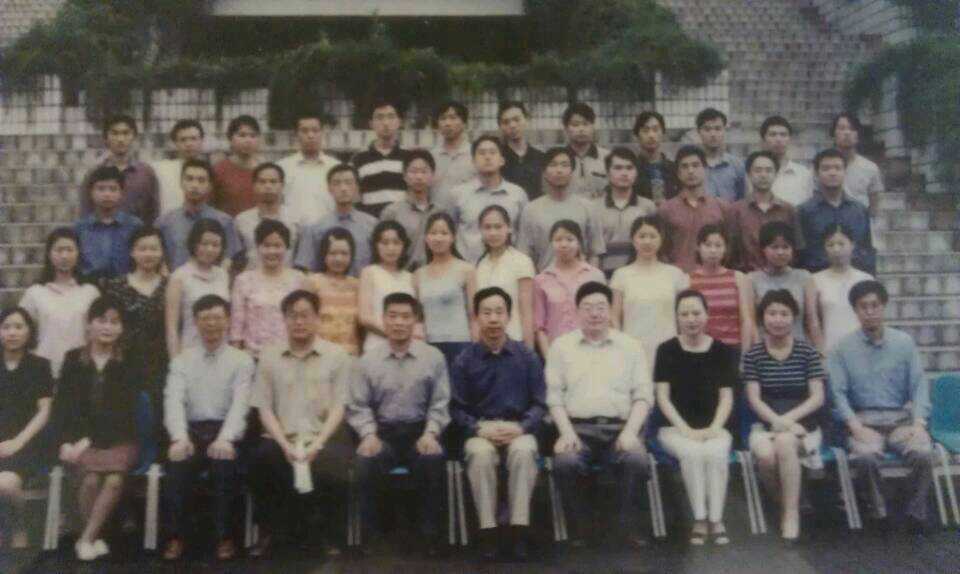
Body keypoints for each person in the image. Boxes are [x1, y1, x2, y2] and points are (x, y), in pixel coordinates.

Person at [248, 290, 354, 558]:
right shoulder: (269, 356)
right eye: (292, 316)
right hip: (281, 437)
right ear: (284, 319)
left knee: (333, 461)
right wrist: (284, 444)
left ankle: (328, 536)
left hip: (323, 435)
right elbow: (264, 408)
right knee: (263, 457)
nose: (299, 322)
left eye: (305, 315)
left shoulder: (337, 356)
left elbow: (339, 407)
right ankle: (268, 532)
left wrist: (317, 444)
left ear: (317, 318)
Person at [547, 282, 652, 549]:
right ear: (577, 311)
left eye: (601, 307)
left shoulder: (630, 346)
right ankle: (582, 529)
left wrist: (630, 432)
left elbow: (643, 396)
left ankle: (626, 528)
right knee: (566, 462)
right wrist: (566, 432)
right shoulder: (561, 347)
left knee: (636, 459)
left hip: (620, 428)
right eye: (588, 308)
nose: (595, 313)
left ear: (610, 310)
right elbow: (554, 397)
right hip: (577, 429)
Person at [349, 293, 450, 556]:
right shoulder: (367, 361)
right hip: (383, 433)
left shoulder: (433, 357)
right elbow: (358, 405)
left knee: (432, 459)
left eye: (406, 316)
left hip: (420, 430)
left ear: (415, 320)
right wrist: (368, 434)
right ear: (383, 319)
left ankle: (430, 538)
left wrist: (431, 433)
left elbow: (440, 403)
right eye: (392, 316)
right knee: (366, 461)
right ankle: (373, 538)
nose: (399, 322)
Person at [828, 280, 933, 532]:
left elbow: (919, 386)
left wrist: (919, 424)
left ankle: (916, 513)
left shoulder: (904, 343)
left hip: (900, 421)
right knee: (865, 457)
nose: (870, 311)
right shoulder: (842, 348)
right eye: (863, 306)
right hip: (863, 422)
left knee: (922, 452)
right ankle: (879, 512)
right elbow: (837, 394)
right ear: (855, 310)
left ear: (884, 306)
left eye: (875, 305)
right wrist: (855, 427)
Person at [450, 287, 546, 561]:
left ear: (508, 316)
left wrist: (521, 427)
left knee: (524, 451)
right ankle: (488, 531)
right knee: (479, 453)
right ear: (476, 317)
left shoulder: (527, 357)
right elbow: (455, 407)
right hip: (481, 429)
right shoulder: (464, 360)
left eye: (499, 312)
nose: (493, 319)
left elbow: (540, 403)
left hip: (518, 428)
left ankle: (519, 529)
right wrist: (478, 428)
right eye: (486, 312)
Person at [161, 294, 254, 562]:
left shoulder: (242, 360)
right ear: (195, 322)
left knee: (224, 466)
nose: (211, 324)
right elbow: (173, 400)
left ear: (227, 320)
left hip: (226, 431)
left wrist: (226, 439)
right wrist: (179, 438)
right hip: (190, 430)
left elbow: (241, 405)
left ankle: (224, 537)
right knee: (177, 465)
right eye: (205, 318)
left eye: (217, 317)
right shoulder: (182, 360)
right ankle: (176, 537)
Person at [53, 296, 141, 561]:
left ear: (122, 328)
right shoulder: (72, 359)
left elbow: (123, 412)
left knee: (113, 480)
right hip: (79, 440)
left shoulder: (129, 361)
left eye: (115, 322)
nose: (108, 327)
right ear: (89, 324)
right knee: (91, 480)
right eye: (102, 320)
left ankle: (85, 539)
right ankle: (97, 537)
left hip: (121, 439)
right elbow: (63, 407)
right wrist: (68, 441)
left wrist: (87, 440)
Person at [654, 289, 736, 546]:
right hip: (673, 429)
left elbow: (726, 397)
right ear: (677, 317)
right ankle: (700, 519)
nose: (691, 319)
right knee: (692, 452)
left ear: (707, 315)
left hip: (715, 426)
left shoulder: (722, 350)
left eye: (696, 313)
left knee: (715, 452)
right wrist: (685, 429)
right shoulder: (666, 350)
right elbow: (663, 398)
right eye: (684, 314)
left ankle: (716, 519)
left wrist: (715, 427)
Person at [744, 289, 826, 542]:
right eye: (772, 313)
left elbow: (817, 397)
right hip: (766, 423)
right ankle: (785, 502)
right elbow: (754, 398)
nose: (777, 319)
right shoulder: (754, 355)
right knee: (766, 457)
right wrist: (777, 421)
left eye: (784, 313)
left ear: (794, 317)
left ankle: (791, 516)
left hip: (804, 425)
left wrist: (788, 421)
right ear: (762, 317)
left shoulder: (807, 352)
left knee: (784, 442)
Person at [0, 308, 53, 550]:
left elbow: (44, 411)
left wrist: (18, 442)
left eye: (18, 327)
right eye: (6, 327)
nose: (12, 332)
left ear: (29, 332)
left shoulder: (40, 366)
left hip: (27, 443)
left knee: (6, 484)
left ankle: (18, 525)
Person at [611, 216, 690, 371]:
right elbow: (614, 316)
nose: (647, 241)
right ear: (633, 240)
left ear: (661, 239)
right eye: (642, 236)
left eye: (653, 236)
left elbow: (684, 315)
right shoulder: (621, 275)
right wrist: (620, 347)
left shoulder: (675, 274)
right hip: (632, 352)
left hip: (669, 351)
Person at [20, 228, 100, 377]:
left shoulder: (90, 292)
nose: (64, 255)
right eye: (59, 250)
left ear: (78, 253)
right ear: (49, 254)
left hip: (81, 371)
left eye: (70, 250)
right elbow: (22, 332)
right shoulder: (34, 293)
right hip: (44, 370)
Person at [103, 227, 169, 408]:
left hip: (162, 364)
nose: (148, 254)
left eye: (154, 248)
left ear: (162, 252)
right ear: (132, 252)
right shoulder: (116, 286)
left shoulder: (171, 286)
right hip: (124, 363)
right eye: (142, 249)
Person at [518, 147, 606, 271]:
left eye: (565, 165)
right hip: (545, 277)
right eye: (553, 165)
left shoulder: (588, 207)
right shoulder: (531, 209)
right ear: (544, 172)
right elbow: (525, 254)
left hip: (581, 279)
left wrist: (589, 278)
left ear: (572, 171)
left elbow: (595, 252)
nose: (559, 170)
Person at [230, 220, 305, 358]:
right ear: (258, 247)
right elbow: (236, 329)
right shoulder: (243, 280)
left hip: (289, 356)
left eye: (277, 246)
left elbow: (303, 321)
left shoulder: (298, 280)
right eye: (266, 245)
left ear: (287, 247)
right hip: (253, 357)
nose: (272, 251)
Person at [450, 135, 528, 263]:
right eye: (482, 153)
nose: (487, 157)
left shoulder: (517, 194)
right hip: (468, 268)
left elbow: (524, 237)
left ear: (502, 160)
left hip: (508, 268)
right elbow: (449, 232)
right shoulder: (458, 194)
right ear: (473, 161)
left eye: (492, 152)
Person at [533, 220, 606, 356]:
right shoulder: (541, 280)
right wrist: (550, 359)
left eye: (570, 239)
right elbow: (539, 327)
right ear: (551, 243)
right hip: (557, 352)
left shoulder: (595, 276)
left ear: (579, 243)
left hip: (591, 352)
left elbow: (605, 318)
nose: (564, 244)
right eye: (558, 240)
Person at [658, 145, 735, 273]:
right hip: (678, 277)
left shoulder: (722, 207)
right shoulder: (666, 210)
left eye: (696, 165)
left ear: (705, 169)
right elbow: (661, 249)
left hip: (712, 276)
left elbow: (730, 247)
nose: (690, 171)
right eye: (685, 166)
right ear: (678, 173)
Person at [798, 148, 876, 274]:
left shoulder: (859, 210)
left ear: (845, 172)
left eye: (837, 168)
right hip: (818, 278)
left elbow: (867, 249)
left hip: (855, 278)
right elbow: (801, 253)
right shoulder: (804, 211)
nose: (832, 173)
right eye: (826, 168)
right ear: (816, 174)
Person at [155, 159, 240, 271]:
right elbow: (159, 260)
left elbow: (229, 259)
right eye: (189, 179)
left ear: (210, 186)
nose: (195, 185)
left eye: (201, 180)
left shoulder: (224, 221)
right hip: (175, 280)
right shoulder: (164, 222)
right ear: (181, 182)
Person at [747, 221, 823, 348]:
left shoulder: (804, 277)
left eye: (785, 247)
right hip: (764, 350)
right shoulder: (751, 279)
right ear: (763, 249)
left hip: (799, 350)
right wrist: (755, 353)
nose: (780, 252)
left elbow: (812, 320)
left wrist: (821, 353)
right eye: (774, 247)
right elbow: (750, 322)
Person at [294, 164, 378, 277]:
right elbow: (306, 269)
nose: (343, 188)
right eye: (337, 183)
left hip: (364, 285)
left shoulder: (372, 225)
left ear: (357, 187)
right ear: (329, 188)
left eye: (348, 182)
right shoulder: (315, 228)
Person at [414, 213, 476, 365]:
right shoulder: (418, 275)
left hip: (459, 344)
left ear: (453, 237)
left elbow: (474, 316)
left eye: (444, 233)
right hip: (429, 345)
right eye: (433, 233)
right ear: (426, 238)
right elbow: (418, 318)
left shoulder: (466, 270)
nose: (438, 238)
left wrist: (476, 349)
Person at [164, 219, 231, 357]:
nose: (210, 249)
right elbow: (172, 328)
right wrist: (176, 362)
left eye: (215, 245)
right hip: (191, 351)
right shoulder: (179, 276)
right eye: (204, 244)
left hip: (221, 351)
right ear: (194, 244)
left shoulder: (223, 275)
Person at [729, 151, 803, 272]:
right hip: (747, 276)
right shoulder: (736, 210)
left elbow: (798, 249)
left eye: (769, 170)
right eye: (758, 170)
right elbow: (730, 251)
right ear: (749, 174)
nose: (763, 175)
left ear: (776, 174)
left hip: (782, 276)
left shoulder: (788, 210)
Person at [79, 114, 159, 225]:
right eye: (115, 133)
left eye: (126, 133)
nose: (120, 139)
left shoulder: (146, 173)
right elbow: (86, 211)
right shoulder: (94, 173)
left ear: (134, 137)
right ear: (106, 138)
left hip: (138, 232)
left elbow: (153, 212)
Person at [475, 205, 536, 348]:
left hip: (514, 340)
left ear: (509, 228)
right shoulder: (480, 264)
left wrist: (529, 351)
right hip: (486, 343)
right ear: (481, 230)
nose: (493, 232)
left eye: (498, 227)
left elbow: (527, 311)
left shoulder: (521, 261)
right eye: (487, 227)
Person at [689, 224, 754, 355]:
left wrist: (744, 355)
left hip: (732, 351)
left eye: (718, 245)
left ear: (725, 249)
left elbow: (746, 320)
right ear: (698, 247)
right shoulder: (688, 280)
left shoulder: (738, 278)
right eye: (708, 245)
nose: (713, 250)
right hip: (700, 351)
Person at [595, 147, 657, 277]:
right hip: (605, 278)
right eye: (618, 168)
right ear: (607, 173)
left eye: (629, 168)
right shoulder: (594, 208)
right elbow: (593, 252)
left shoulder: (648, 207)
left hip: (640, 277)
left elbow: (655, 247)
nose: (624, 173)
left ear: (636, 173)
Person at [75, 166, 143, 284]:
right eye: (101, 189)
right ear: (91, 192)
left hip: (127, 288)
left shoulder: (135, 226)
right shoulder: (79, 228)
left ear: (121, 193)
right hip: (90, 288)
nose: (107, 194)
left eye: (113, 189)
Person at [812, 224, 874, 353]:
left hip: (861, 350)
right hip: (829, 351)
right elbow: (812, 321)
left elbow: (874, 318)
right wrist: (820, 351)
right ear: (824, 248)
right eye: (830, 245)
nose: (836, 249)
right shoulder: (815, 280)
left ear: (852, 245)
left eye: (841, 244)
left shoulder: (866, 279)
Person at [358, 221, 416, 353]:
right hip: (377, 346)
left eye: (396, 243)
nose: (391, 248)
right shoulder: (369, 272)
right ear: (376, 245)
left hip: (408, 347)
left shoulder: (411, 277)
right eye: (385, 243)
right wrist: (396, 335)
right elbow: (364, 317)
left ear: (404, 246)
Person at [381, 149, 443, 269]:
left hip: (435, 274)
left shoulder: (440, 213)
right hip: (401, 274)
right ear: (404, 176)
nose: (419, 177)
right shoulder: (392, 212)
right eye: (413, 171)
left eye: (424, 171)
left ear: (432, 176)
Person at [304, 228, 362, 355]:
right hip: (320, 353)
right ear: (324, 254)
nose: (338, 259)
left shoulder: (357, 285)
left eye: (344, 253)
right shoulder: (312, 282)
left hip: (350, 354)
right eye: (333, 253)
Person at [234, 162, 302, 270]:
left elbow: (302, 260)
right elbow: (236, 260)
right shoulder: (241, 220)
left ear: (282, 185)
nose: (268, 186)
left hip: (288, 277)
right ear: (254, 186)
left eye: (273, 182)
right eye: (262, 182)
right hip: (252, 277)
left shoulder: (298, 219)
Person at [277, 111, 341, 224]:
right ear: (296, 134)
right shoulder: (282, 167)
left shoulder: (336, 167)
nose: (310, 135)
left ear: (322, 133)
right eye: (304, 131)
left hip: (329, 229)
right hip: (292, 229)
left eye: (315, 130)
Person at [351, 100, 410, 217]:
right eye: (379, 117)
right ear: (371, 124)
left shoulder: (410, 157)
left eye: (391, 117)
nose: (385, 123)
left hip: (402, 224)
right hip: (370, 224)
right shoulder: (358, 159)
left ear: (399, 122)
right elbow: (355, 198)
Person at [212, 115, 263, 216]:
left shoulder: (265, 171)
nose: (248, 140)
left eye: (253, 136)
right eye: (242, 135)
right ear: (230, 139)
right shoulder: (218, 170)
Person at [831, 112, 884, 210]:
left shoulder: (870, 168)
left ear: (858, 135)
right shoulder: (823, 167)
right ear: (834, 134)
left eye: (852, 129)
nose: (847, 133)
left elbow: (874, 206)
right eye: (842, 128)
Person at [153, 119, 205, 216]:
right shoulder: (162, 170)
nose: (188, 144)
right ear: (175, 143)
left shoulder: (211, 171)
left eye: (193, 138)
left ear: (201, 141)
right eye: (183, 140)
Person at [760, 116, 814, 207]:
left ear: (790, 140)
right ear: (763, 140)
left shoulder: (804, 174)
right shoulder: (752, 174)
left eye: (783, 135)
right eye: (773, 134)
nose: (778, 139)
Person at [430, 100, 476, 205]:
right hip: (436, 214)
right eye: (443, 118)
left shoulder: (474, 154)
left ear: (464, 123)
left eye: (453, 118)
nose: (447, 123)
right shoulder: (431, 156)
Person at [498, 101, 546, 201]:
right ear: (501, 126)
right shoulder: (497, 158)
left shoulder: (541, 157)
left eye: (516, 120)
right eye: (506, 122)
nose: (512, 125)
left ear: (526, 120)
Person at [696, 108, 746, 203]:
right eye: (707, 129)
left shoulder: (737, 165)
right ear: (698, 132)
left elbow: (742, 201)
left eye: (718, 129)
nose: (713, 134)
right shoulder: (692, 165)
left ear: (725, 131)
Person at [562, 103, 609, 200]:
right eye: (575, 125)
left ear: (593, 127)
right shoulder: (558, 159)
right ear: (566, 129)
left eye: (586, 124)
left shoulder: (608, 157)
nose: (581, 129)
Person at [633, 111, 677, 203]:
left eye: (655, 130)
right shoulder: (631, 170)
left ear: (663, 134)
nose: (651, 135)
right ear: (636, 136)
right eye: (645, 130)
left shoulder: (675, 169)